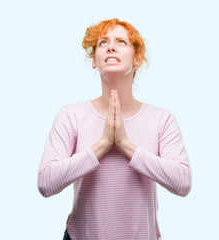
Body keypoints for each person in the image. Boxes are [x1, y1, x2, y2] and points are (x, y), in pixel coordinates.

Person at [37, 18, 192, 240]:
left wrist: (126, 145)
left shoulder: (161, 120)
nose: (111, 47)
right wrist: (103, 144)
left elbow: (183, 182)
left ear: (137, 58)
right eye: (102, 43)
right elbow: (45, 183)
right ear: (94, 60)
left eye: (121, 42)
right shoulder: (70, 116)